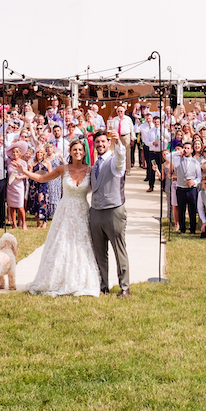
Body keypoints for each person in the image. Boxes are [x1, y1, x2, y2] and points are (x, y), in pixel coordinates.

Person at [15, 136, 100, 296]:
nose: (77, 152)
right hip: (65, 211)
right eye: (75, 149)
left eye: (80, 150)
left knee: (81, 243)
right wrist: (24, 172)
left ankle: (80, 279)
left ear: (84, 153)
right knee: (61, 243)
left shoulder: (89, 170)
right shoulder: (63, 169)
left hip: (82, 211)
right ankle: (56, 279)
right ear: (70, 151)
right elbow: (41, 178)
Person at [89, 127, 130, 297]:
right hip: (96, 212)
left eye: (103, 141)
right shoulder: (94, 166)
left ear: (109, 143)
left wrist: (119, 142)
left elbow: (121, 158)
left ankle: (125, 287)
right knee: (99, 252)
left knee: (119, 250)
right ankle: (103, 285)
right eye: (97, 142)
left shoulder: (114, 161)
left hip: (114, 211)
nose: (100, 144)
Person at [166, 140, 201, 234]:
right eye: (184, 148)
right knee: (181, 209)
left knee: (192, 210)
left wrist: (194, 182)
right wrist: (178, 152)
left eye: (188, 148)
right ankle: (182, 229)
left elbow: (199, 177)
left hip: (191, 189)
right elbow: (168, 156)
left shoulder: (196, 162)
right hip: (181, 188)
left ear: (192, 150)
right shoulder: (178, 160)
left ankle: (192, 229)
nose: (185, 150)